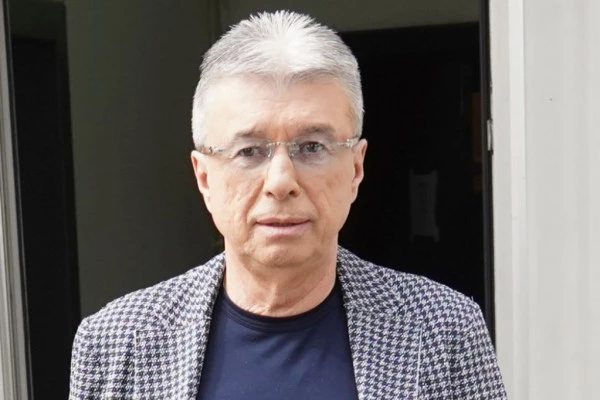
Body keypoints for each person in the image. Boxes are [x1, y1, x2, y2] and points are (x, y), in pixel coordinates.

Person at [69, 10, 506, 400]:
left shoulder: (443, 331)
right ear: (204, 178)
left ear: (356, 168)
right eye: (249, 151)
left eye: (312, 147)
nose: (281, 182)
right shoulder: (116, 344)